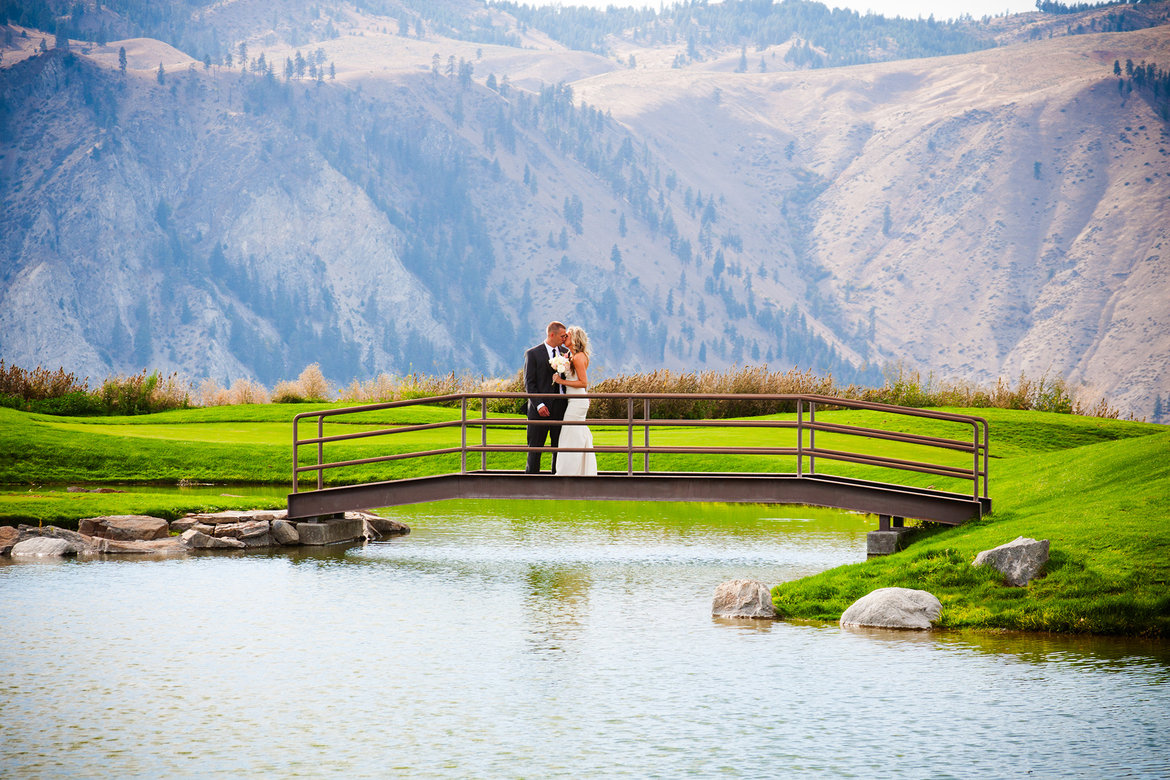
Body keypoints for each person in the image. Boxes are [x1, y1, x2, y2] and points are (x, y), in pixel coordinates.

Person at [551, 325, 598, 477]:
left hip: (577, 402)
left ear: (575, 338)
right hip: (575, 400)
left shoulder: (578, 358)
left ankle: (568, 472)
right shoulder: (573, 356)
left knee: (569, 434)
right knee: (576, 434)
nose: (564, 338)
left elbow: (583, 383)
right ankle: (582, 470)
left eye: (567, 336)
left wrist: (561, 381)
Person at [524, 321, 569, 474]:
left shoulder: (565, 352)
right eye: (562, 336)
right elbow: (529, 384)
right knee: (535, 448)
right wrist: (539, 404)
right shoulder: (533, 353)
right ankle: (531, 481)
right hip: (539, 410)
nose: (565, 338)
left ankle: (556, 479)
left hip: (560, 407)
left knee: (558, 447)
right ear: (552, 334)